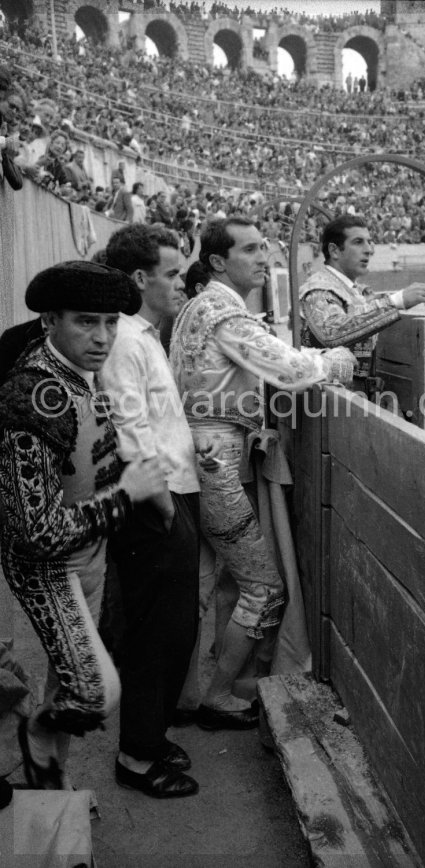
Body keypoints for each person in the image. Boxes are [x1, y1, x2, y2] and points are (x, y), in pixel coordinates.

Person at [170, 217, 356, 731]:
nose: (263, 257)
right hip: (218, 462)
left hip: (200, 456)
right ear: (217, 261)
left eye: (264, 248)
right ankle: (217, 695)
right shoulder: (224, 313)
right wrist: (338, 361)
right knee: (263, 588)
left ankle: (185, 695)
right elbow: (292, 371)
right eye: (250, 250)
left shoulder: (200, 306)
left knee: (204, 583)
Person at [0, 261, 166, 790]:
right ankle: (35, 736)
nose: (102, 338)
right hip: (47, 568)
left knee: (67, 677)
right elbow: (37, 532)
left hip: (87, 556)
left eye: (111, 322)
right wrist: (127, 496)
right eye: (86, 322)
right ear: (50, 321)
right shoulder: (35, 396)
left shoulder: (76, 373)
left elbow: (91, 457)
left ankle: (50, 782)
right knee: (94, 692)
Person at [102, 224, 201, 799]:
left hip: (169, 492)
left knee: (173, 628)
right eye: (170, 273)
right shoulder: (125, 340)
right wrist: (163, 504)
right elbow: (129, 428)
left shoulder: (141, 335)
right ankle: (136, 756)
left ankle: (150, 737)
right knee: (155, 634)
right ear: (140, 279)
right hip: (154, 502)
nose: (179, 283)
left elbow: (154, 422)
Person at [299, 215, 425, 396]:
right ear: (335, 251)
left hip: (350, 395)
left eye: (370, 242)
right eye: (358, 242)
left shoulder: (354, 290)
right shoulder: (318, 289)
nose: (369, 250)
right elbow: (331, 332)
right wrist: (396, 301)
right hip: (325, 400)